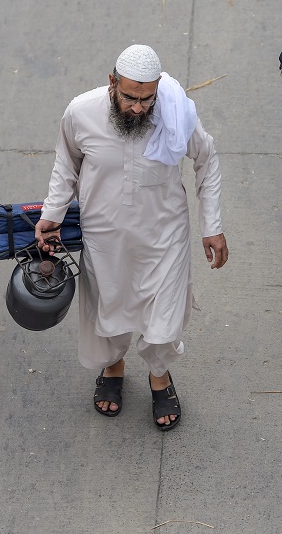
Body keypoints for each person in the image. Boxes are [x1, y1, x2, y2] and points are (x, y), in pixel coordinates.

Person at [35, 45, 228, 430]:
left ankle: (159, 375)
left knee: (165, 317)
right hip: (104, 235)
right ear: (112, 83)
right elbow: (66, 165)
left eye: (147, 99)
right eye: (130, 97)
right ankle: (113, 367)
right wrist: (51, 216)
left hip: (164, 236)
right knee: (108, 306)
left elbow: (207, 158)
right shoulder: (81, 111)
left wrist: (213, 225)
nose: (139, 108)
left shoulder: (175, 113)